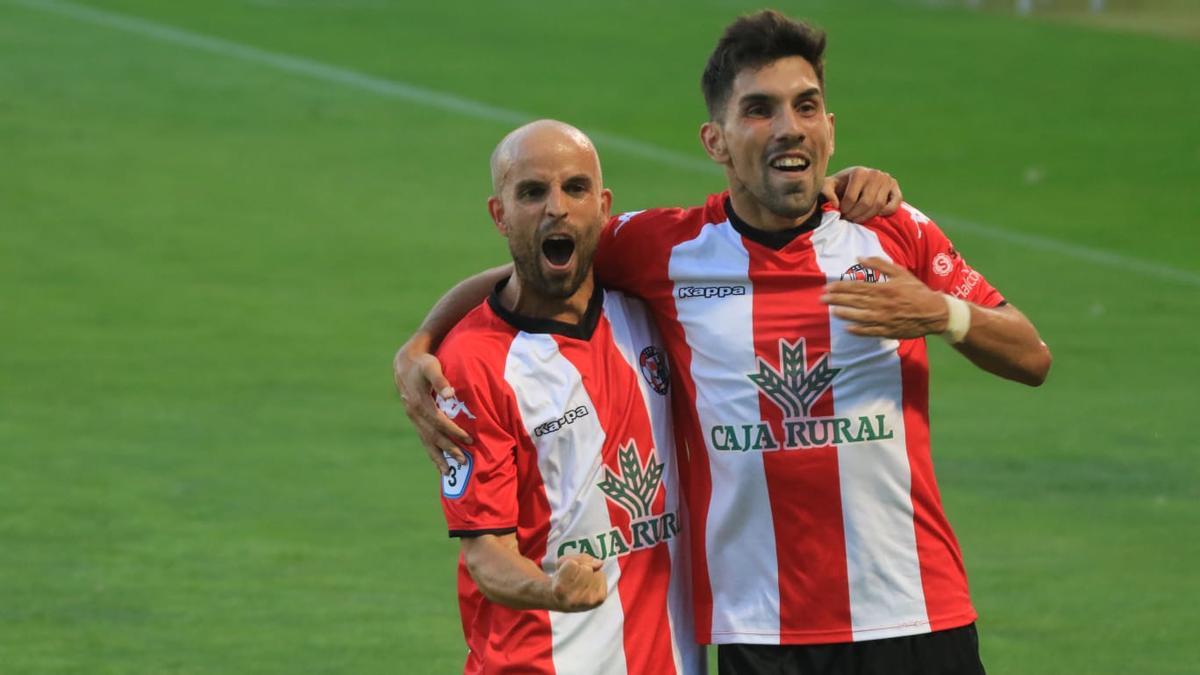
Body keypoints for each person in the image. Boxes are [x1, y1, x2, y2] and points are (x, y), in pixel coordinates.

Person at [400, 11, 1051, 674]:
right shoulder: (668, 250)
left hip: (916, 611)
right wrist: (423, 339)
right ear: (716, 139)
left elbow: (1032, 355)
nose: (789, 127)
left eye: (807, 106)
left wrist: (942, 313)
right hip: (758, 628)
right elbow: (538, 266)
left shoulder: (893, 231)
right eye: (760, 110)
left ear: (830, 127)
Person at [434, 119, 705, 674]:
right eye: (532, 192)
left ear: (603, 207)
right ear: (499, 214)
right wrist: (550, 589)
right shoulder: (473, 365)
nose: (556, 208)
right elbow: (485, 553)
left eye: (575, 188)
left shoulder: (652, 307)